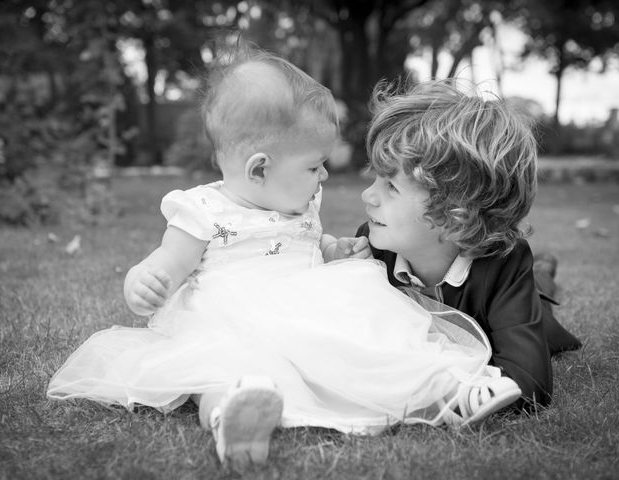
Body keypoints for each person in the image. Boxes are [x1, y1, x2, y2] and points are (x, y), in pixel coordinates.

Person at [47, 51, 520, 472]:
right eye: (314, 165)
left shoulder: (301, 207)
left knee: (373, 337)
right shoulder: (202, 211)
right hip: (228, 316)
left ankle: (451, 389)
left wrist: (334, 252)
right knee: (221, 367)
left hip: (304, 308)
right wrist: (144, 281)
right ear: (259, 168)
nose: (324, 174)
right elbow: (164, 264)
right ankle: (231, 411)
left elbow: (306, 251)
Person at [356, 79, 582, 417]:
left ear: (456, 210)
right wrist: (346, 275)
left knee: (540, 302)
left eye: (390, 186)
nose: (368, 196)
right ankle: (543, 272)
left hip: (515, 303)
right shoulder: (374, 243)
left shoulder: (505, 264)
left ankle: (543, 273)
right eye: (374, 178)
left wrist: (444, 396)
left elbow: (529, 382)